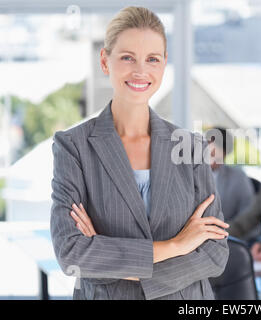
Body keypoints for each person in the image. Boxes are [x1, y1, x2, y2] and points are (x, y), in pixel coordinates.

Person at [50, 7, 229, 300]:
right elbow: (71, 254)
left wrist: (106, 256)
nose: (140, 71)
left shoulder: (192, 148)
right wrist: (177, 245)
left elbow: (215, 253)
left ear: (164, 64)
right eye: (127, 57)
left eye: (152, 59)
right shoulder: (73, 146)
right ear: (105, 61)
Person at [206, 127, 255, 222]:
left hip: (228, 232)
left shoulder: (238, 178)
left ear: (225, 153)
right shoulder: (191, 175)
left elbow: (248, 213)